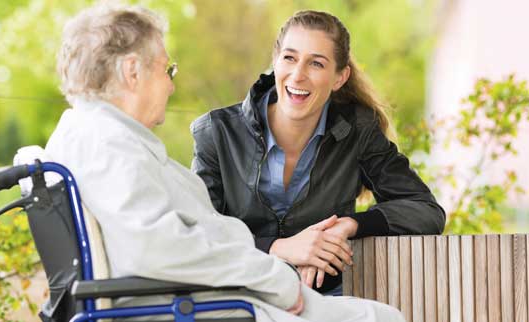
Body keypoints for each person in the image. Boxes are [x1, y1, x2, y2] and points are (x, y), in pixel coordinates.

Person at [45, 4, 405, 321]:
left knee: (380, 315)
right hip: (206, 307)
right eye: (165, 71)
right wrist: (278, 280)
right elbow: (158, 249)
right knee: (381, 318)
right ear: (133, 71)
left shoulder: (100, 138)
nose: (170, 87)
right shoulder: (106, 145)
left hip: (217, 298)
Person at [191, 10, 445, 296]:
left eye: (316, 63)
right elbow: (198, 233)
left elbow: (426, 211)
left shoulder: (357, 131)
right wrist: (280, 248)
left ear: (339, 77)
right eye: (289, 58)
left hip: (324, 300)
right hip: (240, 297)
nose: (298, 74)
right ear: (275, 62)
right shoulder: (217, 132)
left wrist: (348, 226)